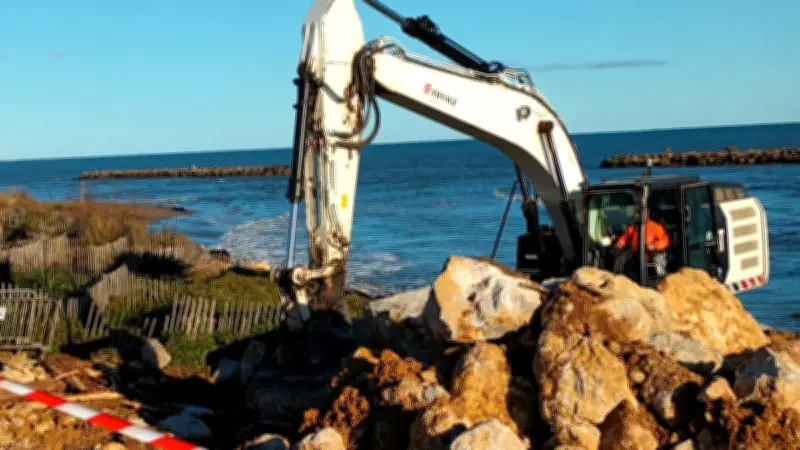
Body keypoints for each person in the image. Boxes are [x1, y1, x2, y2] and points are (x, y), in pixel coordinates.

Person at [613, 209, 670, 277]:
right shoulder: (632, 227)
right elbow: (624, 238)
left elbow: (664, 241)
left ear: (646, 214)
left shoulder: (656, 227)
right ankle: (618, 277)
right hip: (635, 252)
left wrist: (654, 245)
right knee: (621, 259)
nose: (637, 215)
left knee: (658, 259)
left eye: (639, 214)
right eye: (637, 214)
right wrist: (620, 244)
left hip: (651, 252)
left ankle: (661, 277)